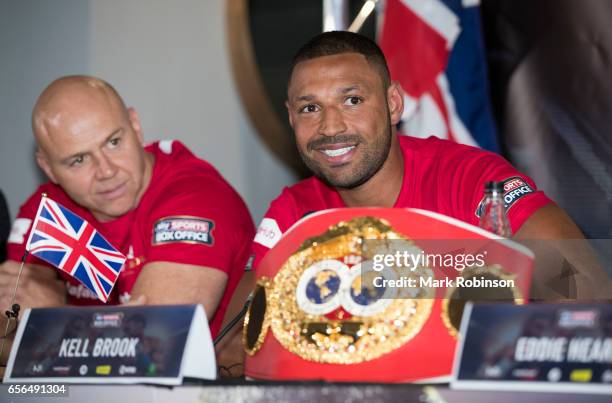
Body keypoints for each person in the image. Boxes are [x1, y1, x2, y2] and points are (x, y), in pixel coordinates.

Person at [250, 31, 610, 299]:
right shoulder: (293, 213)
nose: (330, 127)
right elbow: (240, 339)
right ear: (291, 118)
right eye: (309, 108)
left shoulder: (470, 180)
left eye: (352, 100)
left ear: (393, 105)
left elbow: (584, 286)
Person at [0, 76, 255, 357]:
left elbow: (151, 344)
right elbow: (5, 335)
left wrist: (49, 317)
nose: (106, 171)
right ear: (48, 169)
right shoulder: (50, 212)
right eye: (78, 160)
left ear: (135, 125)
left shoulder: (195, 196)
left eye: (113, 142)